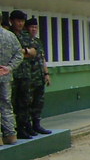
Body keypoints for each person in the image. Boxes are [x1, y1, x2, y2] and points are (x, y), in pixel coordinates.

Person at [7, 9, 42, 139]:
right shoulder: (8, 35)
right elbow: (9, 52)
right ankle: (13, 129)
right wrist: (25, 52)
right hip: (12, 74)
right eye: (18, 21)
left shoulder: (26, 35)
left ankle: (24, 126)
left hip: (26, 74)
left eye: (22, 21)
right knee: (11, 102)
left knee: (25, 102)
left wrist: (22, 51)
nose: (20, 24)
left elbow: (34, 52)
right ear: (11, 21)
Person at [20, 17, 51, 134]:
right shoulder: (23, 40)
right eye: (32, 27)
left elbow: (42, 58)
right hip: (28, 77)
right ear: (27, 28)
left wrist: (46, 73)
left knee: (39, 101)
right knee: (27, 102)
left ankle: (37, 124)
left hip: (39, 77)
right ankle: (26, 126)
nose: (34, 29)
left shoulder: (37, 42)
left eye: (35, 27)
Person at [0, 23, 23, 145]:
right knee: (6, 105)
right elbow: (19, 54)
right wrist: (9, 68)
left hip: (5, 75)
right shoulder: (10, 36)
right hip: (5, 75)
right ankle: (10, 135)